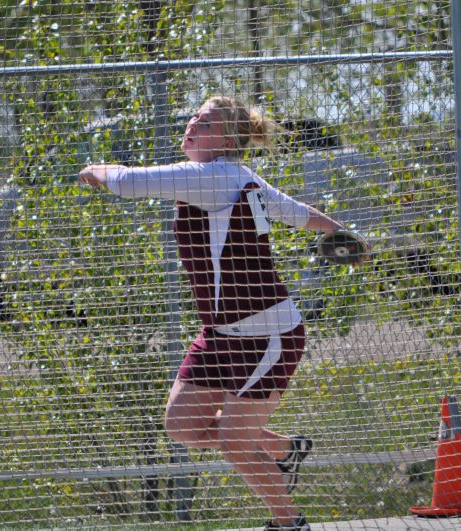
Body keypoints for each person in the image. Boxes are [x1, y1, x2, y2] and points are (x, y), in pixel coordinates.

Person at [79, 96, 345, 531]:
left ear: (225, 138)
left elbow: (127, 183)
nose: (191, 125)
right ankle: (282, 451)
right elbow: (299, 214)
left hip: (268, 334)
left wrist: (97, 170)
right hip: (221, 332)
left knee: (232, 441)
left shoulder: (213, 177)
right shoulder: (237, 177)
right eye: (192, 117)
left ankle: (289, 523)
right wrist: (339, 231)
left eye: (203, 122)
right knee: (182, 425)